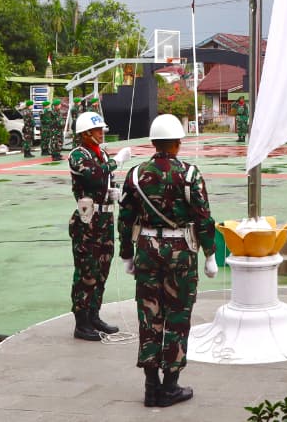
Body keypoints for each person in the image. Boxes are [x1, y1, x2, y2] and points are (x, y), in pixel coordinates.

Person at [117, 114, 217, 407]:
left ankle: (151, 386)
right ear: (177, 143)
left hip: (146, 249)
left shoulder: (135, 175)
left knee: (149, 316)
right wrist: (210, 254)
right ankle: (170, 386)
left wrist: (126, 253)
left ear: (152, 142)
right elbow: (203, 218)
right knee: (177, 316)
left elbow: (125, 218)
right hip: (180, 252)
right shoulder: (189, 174)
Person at [68, 110, 133, 343]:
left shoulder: (101, 153)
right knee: (87, 271)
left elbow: (104, 180)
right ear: (86, 133)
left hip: (104, 219)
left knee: (102, 269)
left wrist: (112, 192)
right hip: (88, 221)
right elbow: (94, 175)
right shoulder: (78, 155)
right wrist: (118, 161)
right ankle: (81, 322)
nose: (101, 133)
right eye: (97, 130)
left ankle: (94, 315)